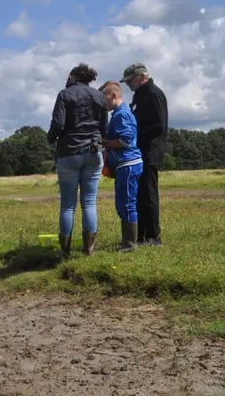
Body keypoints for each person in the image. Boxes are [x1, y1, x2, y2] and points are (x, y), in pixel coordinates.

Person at [46, 63, 108, 257]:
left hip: (69, 152)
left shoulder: (65, 94)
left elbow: (58, 124)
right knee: (89, 203)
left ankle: (65, 252)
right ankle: (88, 250)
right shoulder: (99, 96)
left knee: (67, 205)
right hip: (93, 151)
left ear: (72, 76)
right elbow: (104, 127)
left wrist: (49, 138)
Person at [120, 63, 168, 246]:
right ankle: (141, 235)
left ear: (141, 77)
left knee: (149, 196)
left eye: (130, 80)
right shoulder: (139, 96)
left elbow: (159, 126)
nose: (128, 85)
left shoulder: (154, 94)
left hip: (149, 152)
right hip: (138, 152)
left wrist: (135, 132)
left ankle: (154, 237)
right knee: (139, 196)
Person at [100, 81, 143, 252]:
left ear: (113, 96)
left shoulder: (121, 115)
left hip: (128, 163)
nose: (104, 104)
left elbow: (125, 141)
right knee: (123, 204)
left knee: (127, 205)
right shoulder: (119, 114)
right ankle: (128, 242)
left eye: (104, 99)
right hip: (125, 164)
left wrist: (104, 142)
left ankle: (130, 245)